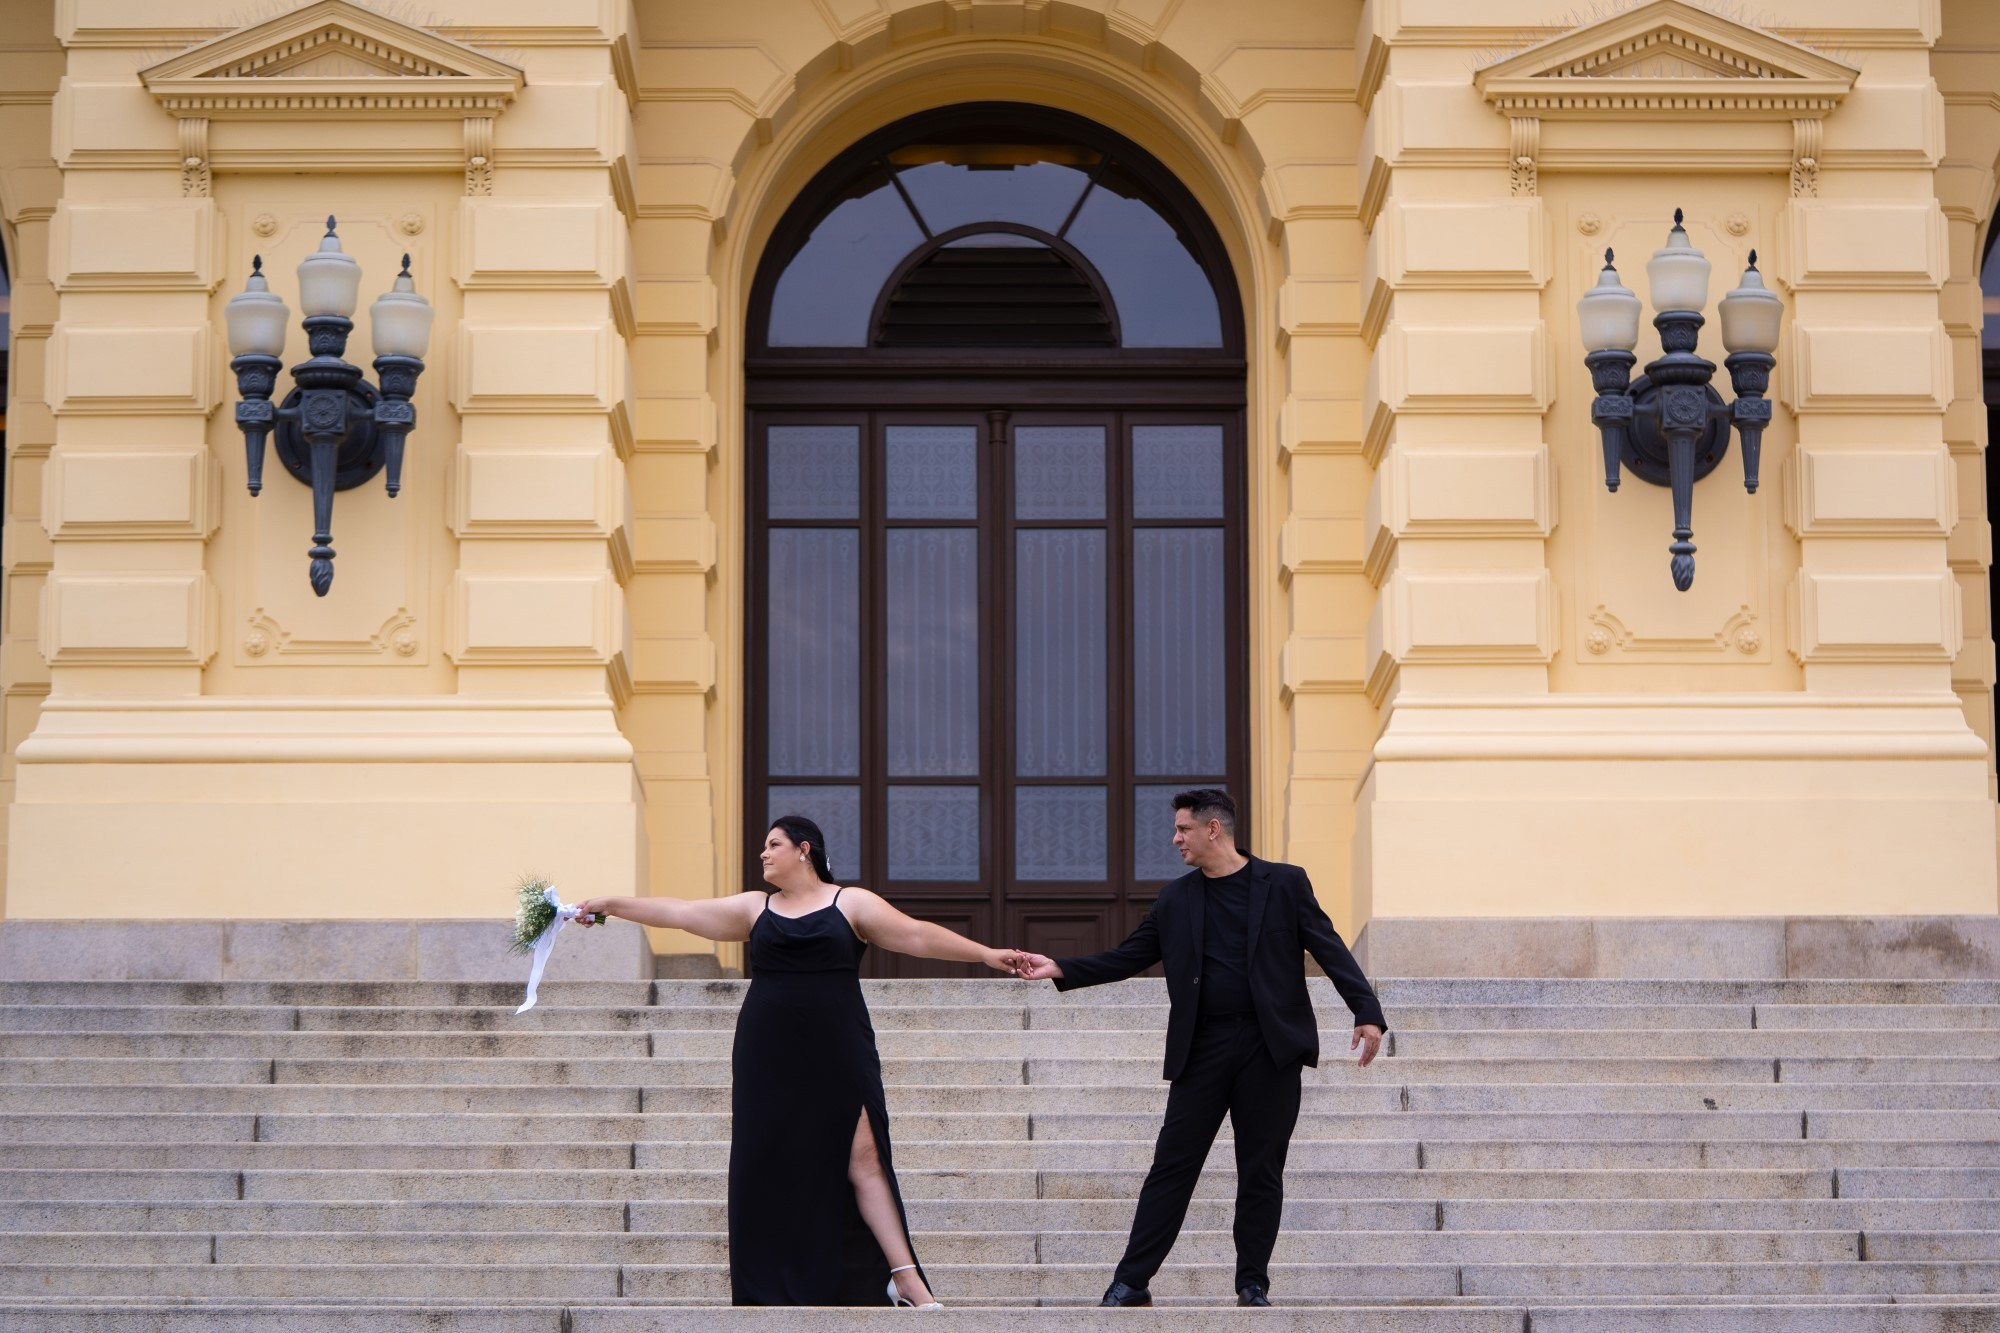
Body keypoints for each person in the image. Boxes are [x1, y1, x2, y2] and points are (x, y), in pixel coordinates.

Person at [576, 815, 1026, 1308]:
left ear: (804, 849)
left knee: (865, 1156)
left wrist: (986, 954)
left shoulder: (849, 902)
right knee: (767, 1161)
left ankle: (905, 1278)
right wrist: (611, 905)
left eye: (774, 845)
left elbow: (916, 936)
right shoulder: (754, 908)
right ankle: (771, 1285)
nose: (764, 854)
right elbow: (681, 912)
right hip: (767, 1050)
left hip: (838, 1044)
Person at [1011, 789, 1387, 1308]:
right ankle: (1132, 1281)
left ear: (1214, 829)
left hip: (1269, 1046)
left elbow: (1327, 945)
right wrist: (1062, 968)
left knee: (1261, 1168)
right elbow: (1130, 956)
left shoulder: (1284, 883)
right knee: (1172, 1165)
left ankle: (1252, 1283)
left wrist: (1365, 1009)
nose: (1175, 839)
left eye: (1183, 829)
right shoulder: (1176, 899)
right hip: (1202, 1047)